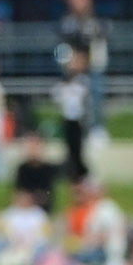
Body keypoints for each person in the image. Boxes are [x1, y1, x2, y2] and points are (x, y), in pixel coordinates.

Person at [59, 0, 110, 140]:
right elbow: (61, 47)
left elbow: (99, 48)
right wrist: (69, 61)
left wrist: (85, 61)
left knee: (94, 88)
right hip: (71, 69)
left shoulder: (95, 23)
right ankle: (73, 129)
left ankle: (96, 127)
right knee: (69, 95)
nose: (76, 3)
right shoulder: (67, 22)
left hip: (92, 69)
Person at [53, 51, 90, 180]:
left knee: (77, 148)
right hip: (67, 118)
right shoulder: (65, 80)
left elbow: (81, 96)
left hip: (78, 120)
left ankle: (80, 172)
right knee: (69, 147)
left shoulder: (83, 80)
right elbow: (58, 96)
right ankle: (72, 171)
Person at [13, 132, 60, 213]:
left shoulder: (47, 169)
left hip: (40, 210)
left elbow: (47, 195)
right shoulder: (22, 168)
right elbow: (18, 193)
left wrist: (31, 199)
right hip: (24, 209)